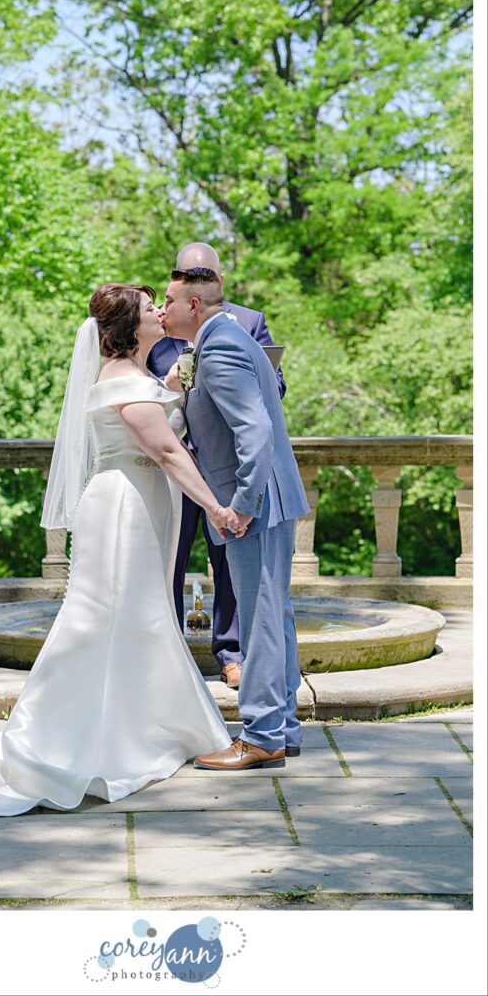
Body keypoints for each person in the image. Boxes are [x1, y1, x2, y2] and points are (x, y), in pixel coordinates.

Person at [0, 283, 237, 819]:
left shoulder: (137, 377)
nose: (159, 311)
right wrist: (218, 509)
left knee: (138, 617)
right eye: (151, 307)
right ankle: (87, 738)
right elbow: (169, 452)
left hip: (142, 503)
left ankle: (144, 727)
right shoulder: (122, 383)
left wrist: (188, 369)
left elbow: (165, 397)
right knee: (117, 617)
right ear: (132, 328)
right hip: (124, 508)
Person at [159, 267, 310, 770]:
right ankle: (283, 728)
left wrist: (241, 505)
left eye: (170, 300)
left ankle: (262, 735)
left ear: (194, 306)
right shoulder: (223, 338)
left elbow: (256, 431)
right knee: (275, 618)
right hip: (271, 501)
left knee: (260, 620)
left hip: (256, 508)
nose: (163, 309)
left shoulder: (219, 347)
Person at [147, 242, 286, 691]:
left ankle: (232, 655)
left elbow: (266, 399)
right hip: (179, 464)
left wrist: (243, 501)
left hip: (228, 472)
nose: (164, 308)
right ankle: (167, 647)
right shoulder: (159, 325)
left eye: (201, 271)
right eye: (184, 272)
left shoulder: (240, 326)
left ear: (216, 281)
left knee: (238, 576)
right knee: (170, 557)